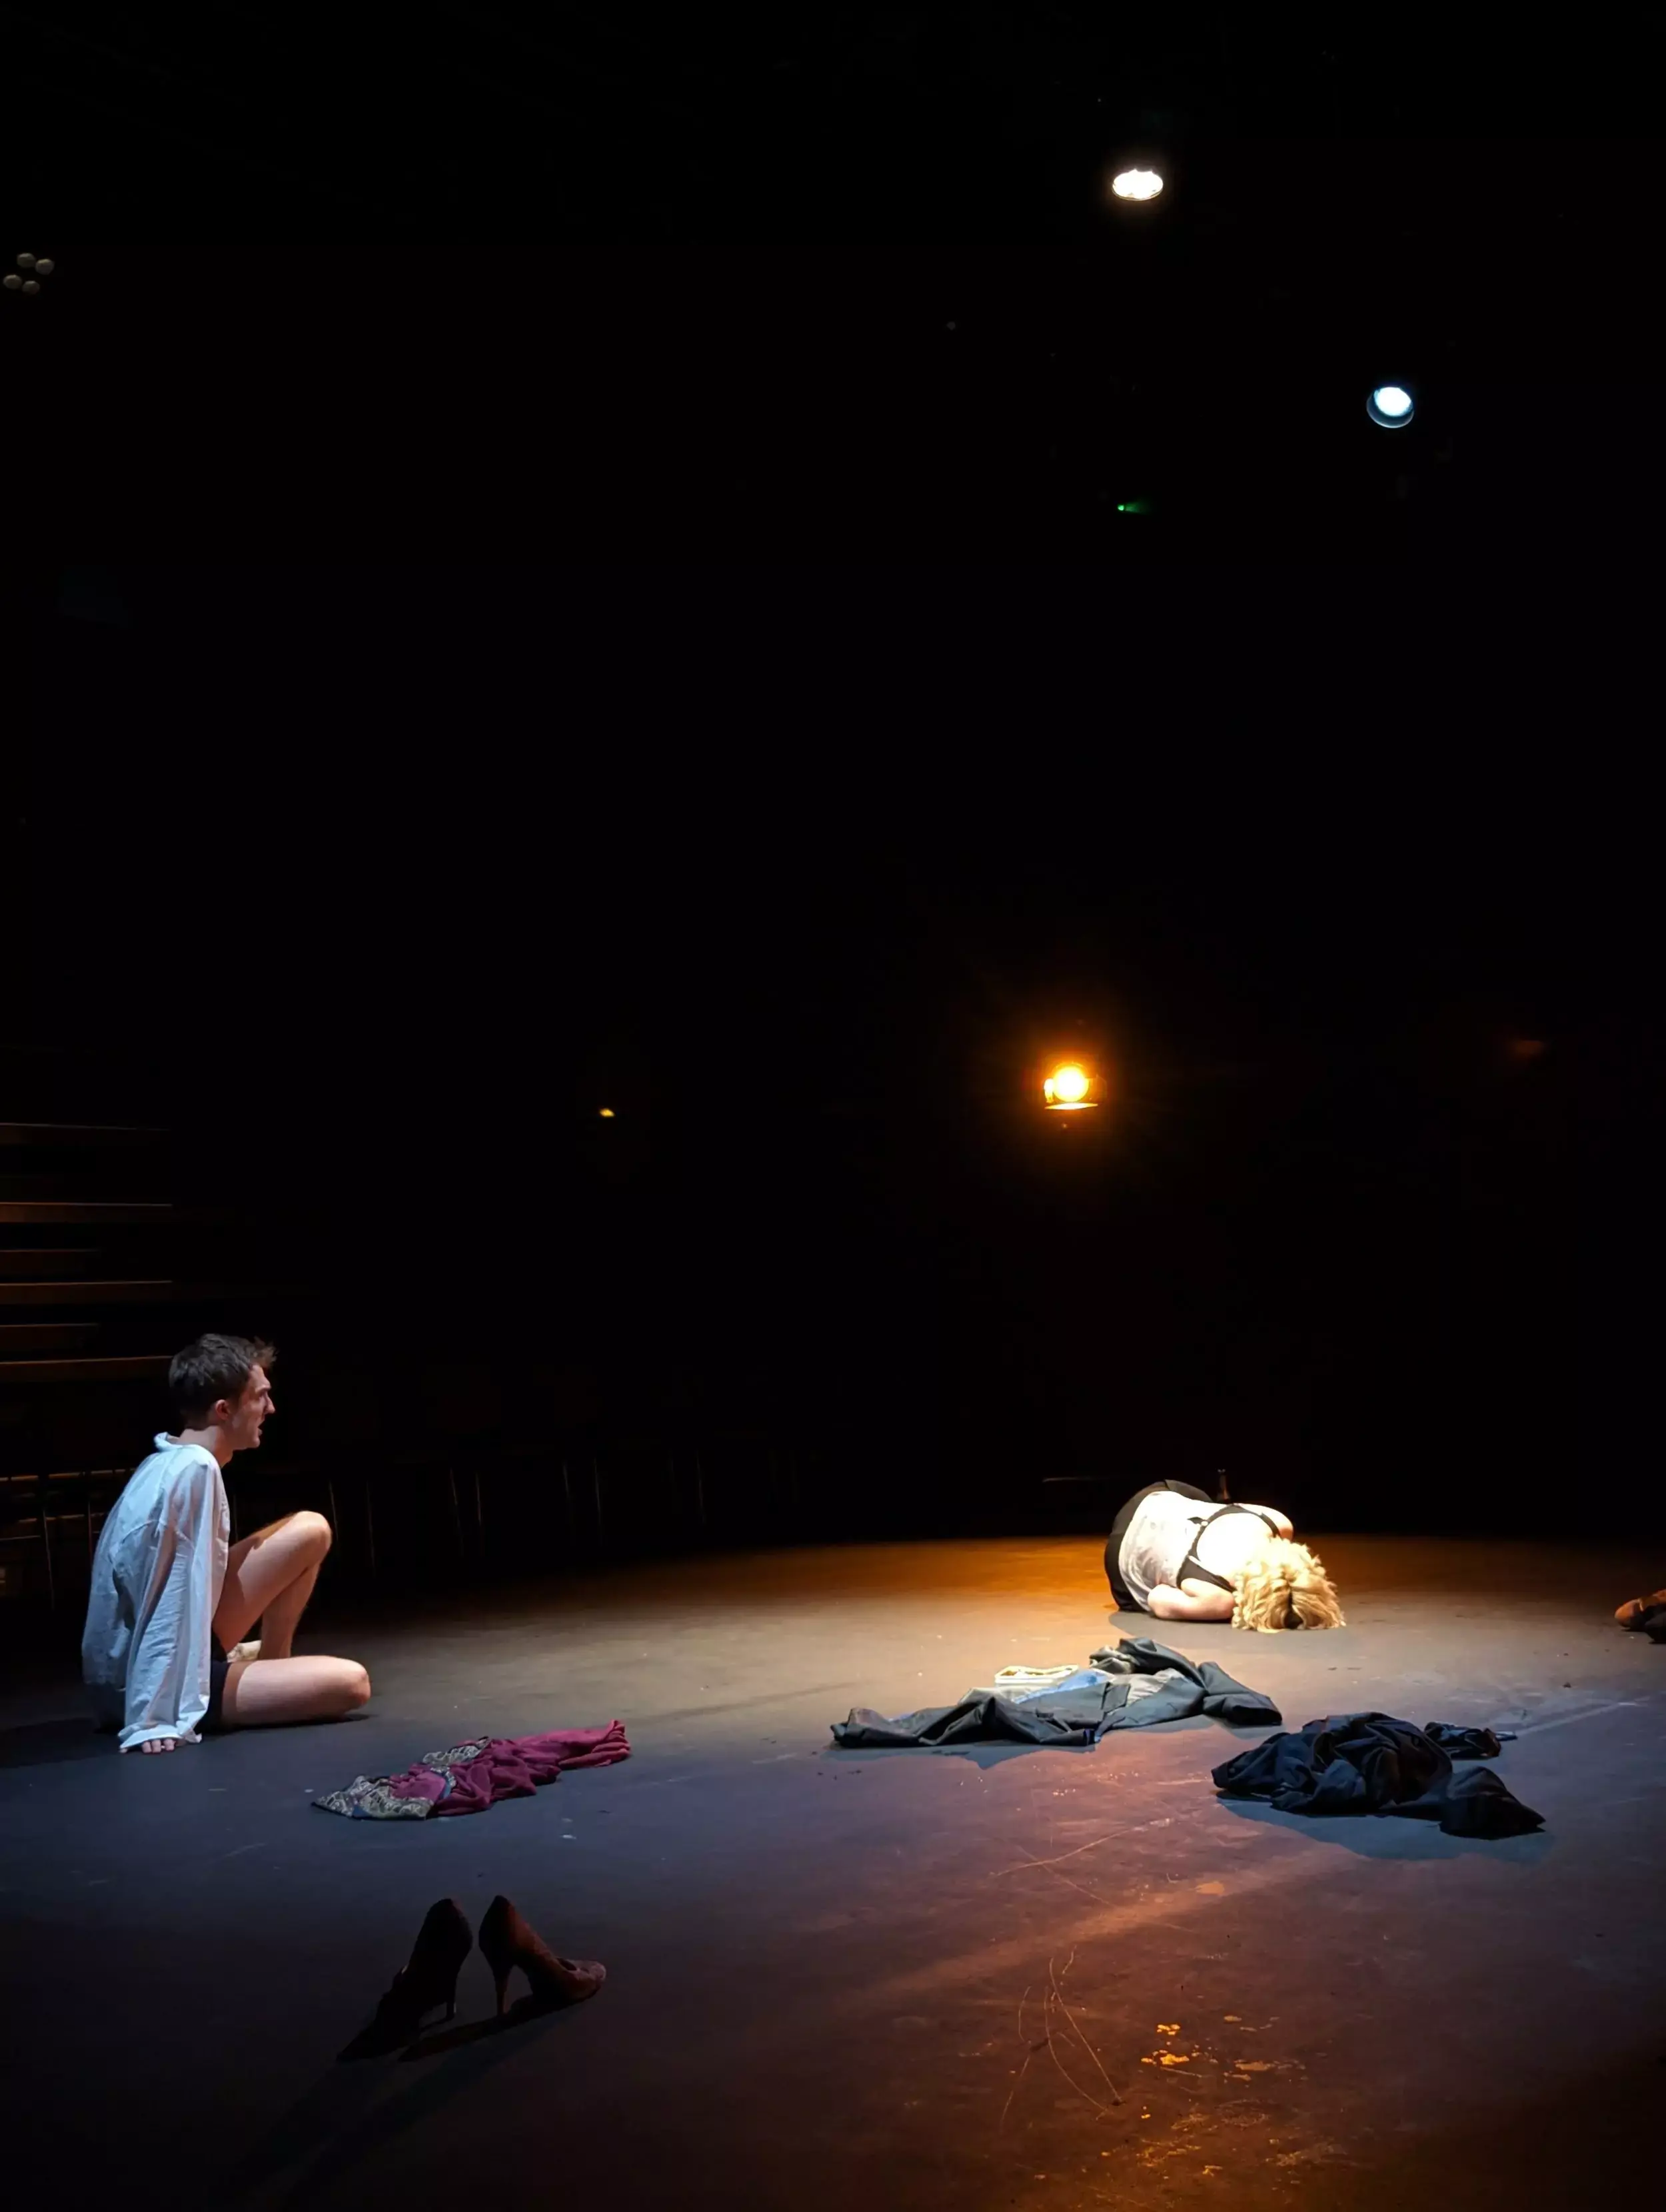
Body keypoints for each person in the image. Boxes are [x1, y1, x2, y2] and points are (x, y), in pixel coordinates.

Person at [82, 1334, 371, 1752]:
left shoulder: (170, 1457)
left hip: (150, 1660)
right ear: (224, 1410)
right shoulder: (194, 1471)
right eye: (260, 1397)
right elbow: (169, 1594)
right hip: (139, 1681)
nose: (270, 1409)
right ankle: (248, 1676)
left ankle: (271, 1662)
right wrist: (155, 1716)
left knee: (311, 1528)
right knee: (351, 1682)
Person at [1105, 1476, 1345, 1631]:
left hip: (1159, 1494)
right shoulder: (1219, 1599)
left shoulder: (1278, 1523)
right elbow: (1157, 1597)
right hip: (1122, 1547)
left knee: (1208, 1507)